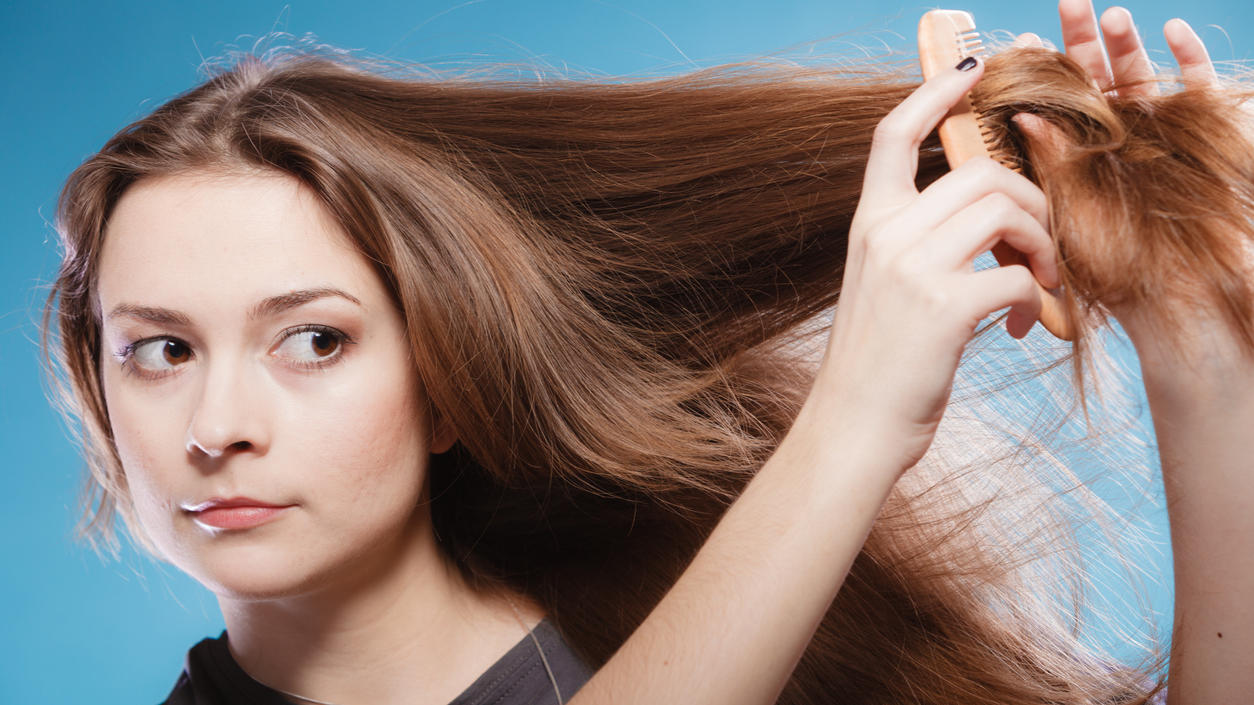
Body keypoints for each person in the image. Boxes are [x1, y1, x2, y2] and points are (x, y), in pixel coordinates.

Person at [41, 0, 1252, 703]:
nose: (219, 424)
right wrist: (857, 417)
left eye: (312, 339)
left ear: (445, 383)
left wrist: (1199, 356)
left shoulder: (736, 621)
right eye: (157, 351)